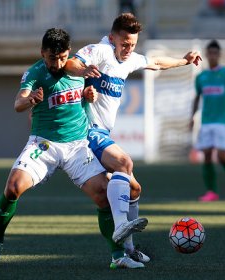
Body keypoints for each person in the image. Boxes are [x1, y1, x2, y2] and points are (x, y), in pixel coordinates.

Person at [0, 28, 147, 269]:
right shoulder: (35, 73)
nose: (57, 63)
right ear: (42, 53)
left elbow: (86, 92)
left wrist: (88, 94)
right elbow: (18, 102)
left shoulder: (79, 69)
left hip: (77, 146)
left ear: (68, 53)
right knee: (13, 188)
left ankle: (118, 256)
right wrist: (29, 101)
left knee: (103, 194)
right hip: (44, 144)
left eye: (61, 57)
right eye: (51, 58)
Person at [64, 12, 202, 259]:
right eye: (124, 43)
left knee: (135, 190)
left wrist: (184, 61)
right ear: (112, 38)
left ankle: (129, 249)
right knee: (124, 162)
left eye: (133, 44)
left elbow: (156, 62)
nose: (128, 49)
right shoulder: (101, 50)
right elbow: (70, 64)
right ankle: (119, 228)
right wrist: (85, 69)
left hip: (102, 131)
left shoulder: (129, 59)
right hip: (86, 131)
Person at [191, 40, 225, 202]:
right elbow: (197, 98)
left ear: (219, 55)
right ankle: (211, 192)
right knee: (207, 155)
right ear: (207, 55)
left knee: (221, 156)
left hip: (223, 120)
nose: (213, 56)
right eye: (210, 53)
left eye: (215, 53)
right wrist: (192, 117)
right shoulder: (201, 77)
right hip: (207, 120)